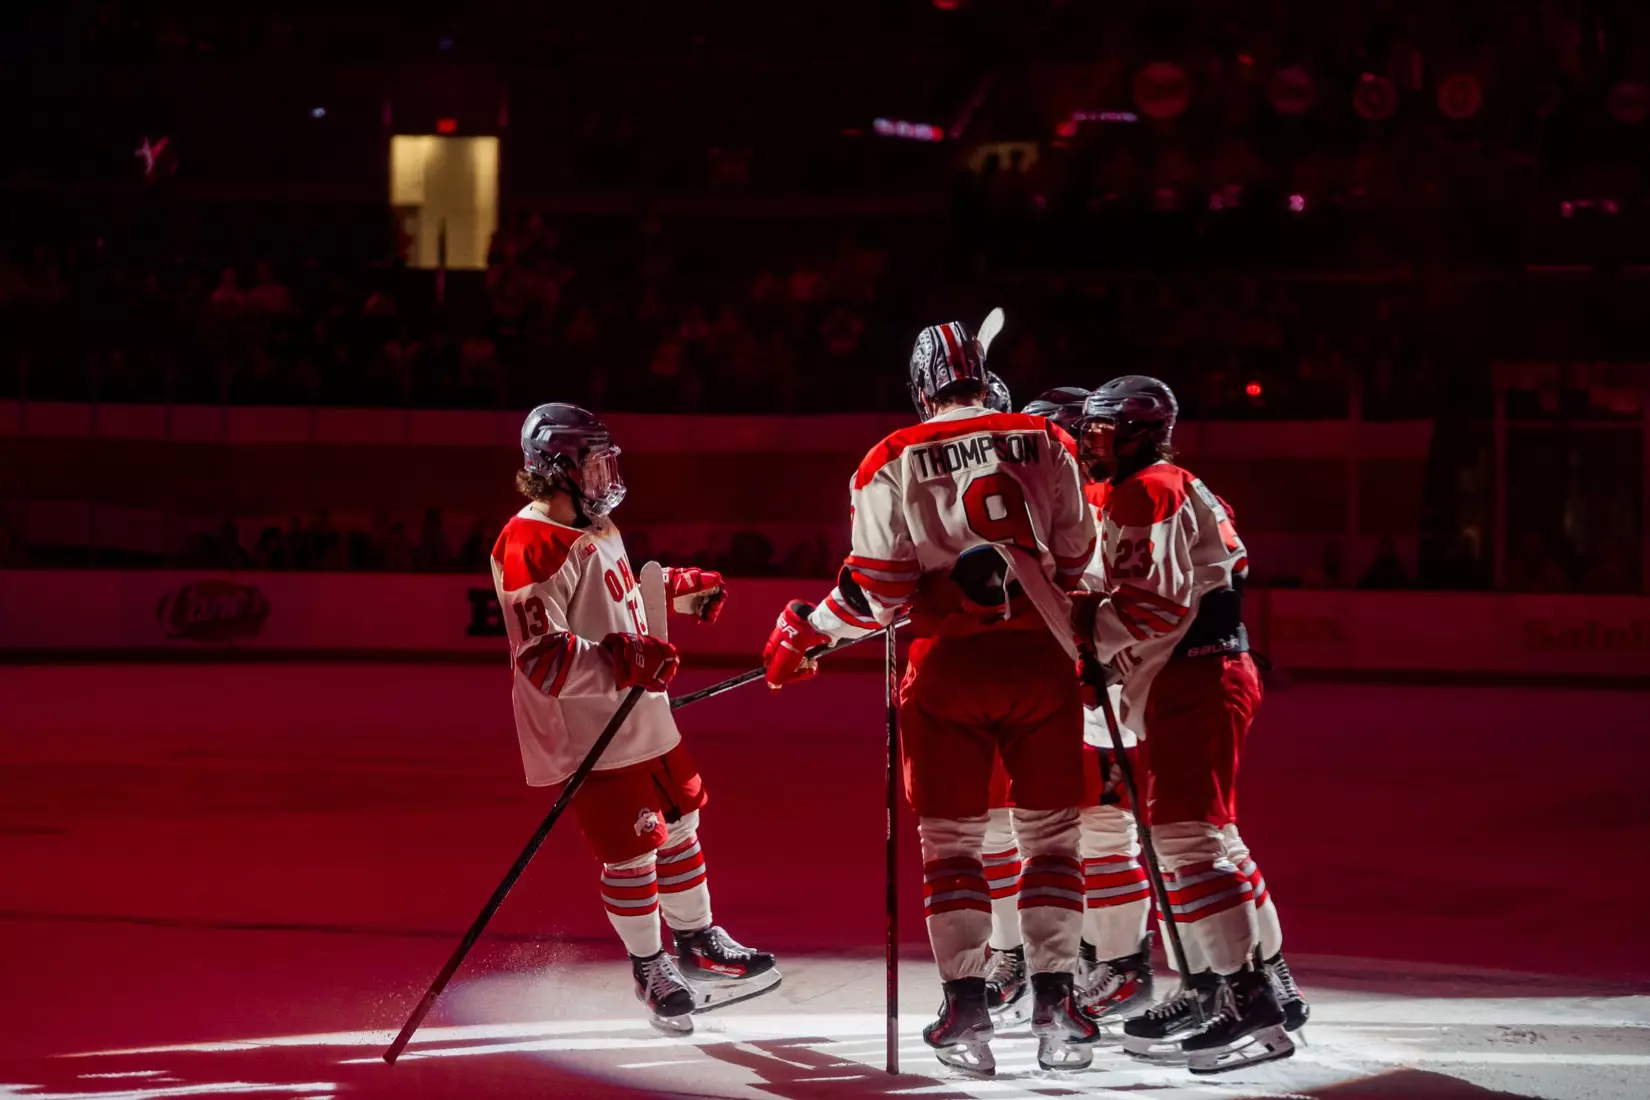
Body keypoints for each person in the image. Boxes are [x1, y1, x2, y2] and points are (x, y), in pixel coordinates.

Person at [762, 322, 1099, 1074]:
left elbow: (876, 593)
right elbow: (1077, 559)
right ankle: (1057, 1003)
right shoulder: (1049, 439)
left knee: (952, 848)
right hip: (1041, 661)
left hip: (947, 667)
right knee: (1050, 841)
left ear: (921, 386)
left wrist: (806, 633)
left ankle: (968, 1010)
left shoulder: (891, 455)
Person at [493, 403, 778, 1034]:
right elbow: (541, 659)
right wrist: (624, 663)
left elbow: (616, 596)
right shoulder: (528, 543)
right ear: (554, 468)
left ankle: (698, 939)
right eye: (592, 465)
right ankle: (649, 964)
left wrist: (675, 585)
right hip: (592, 731)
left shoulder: (598, 526)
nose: (604, 477)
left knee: (680, 825)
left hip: (643, 716)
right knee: (631, 852)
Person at [1068, 376, 1307, 1074]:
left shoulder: (1151, 490)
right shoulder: (1179, 484)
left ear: (1139, 430)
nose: (1091, 442)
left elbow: (1151, 607)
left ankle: (1246, 1001)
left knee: (1186, 837)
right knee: (1205, 837)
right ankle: (1227, 987)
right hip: (1203, 673)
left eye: (1102, 430)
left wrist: (1089, 636)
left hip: (1197, 677)